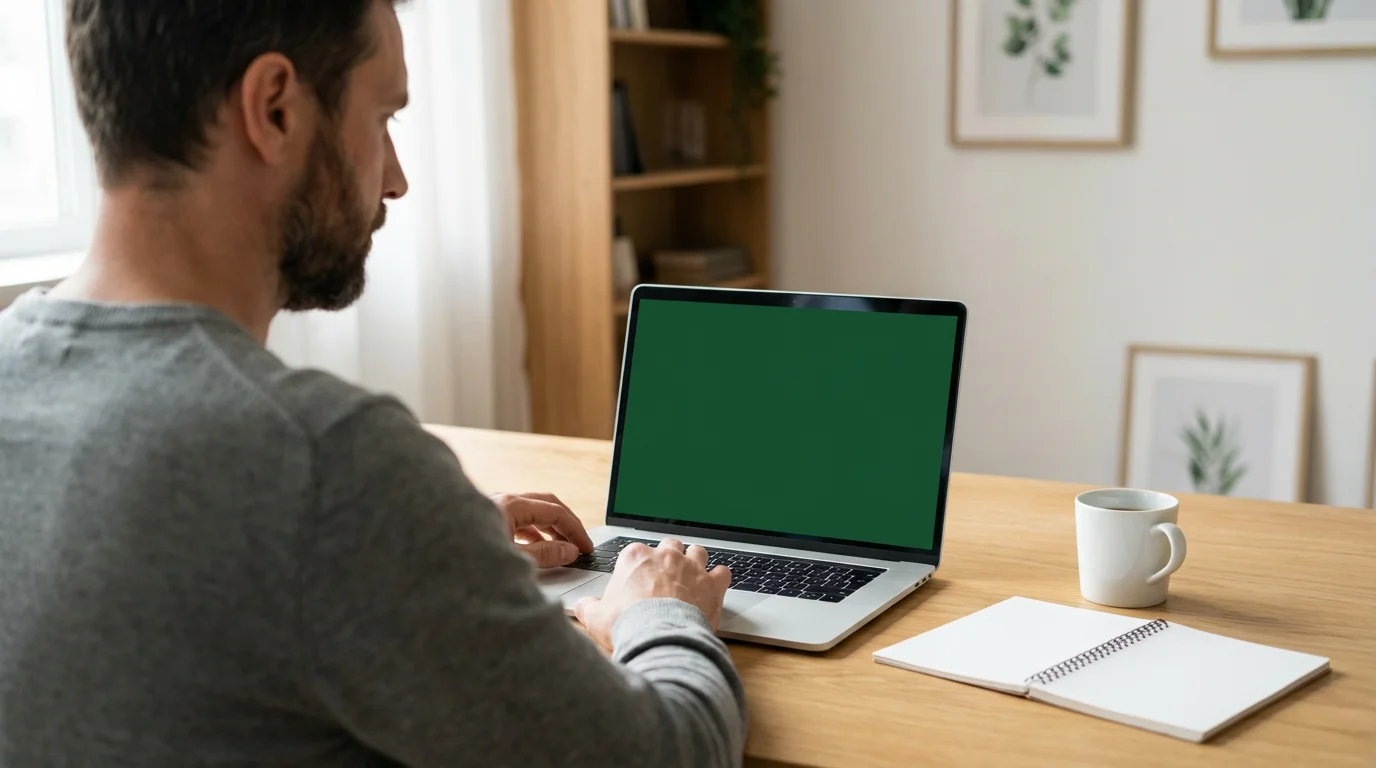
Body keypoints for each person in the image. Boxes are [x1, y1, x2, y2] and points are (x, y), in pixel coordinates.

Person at [0, 1, 746, 765]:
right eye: (384, 115)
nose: (396, 180)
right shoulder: (327, 465)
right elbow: (669, 753)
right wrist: (662, 612)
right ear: (276, 109)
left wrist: (424, 556)